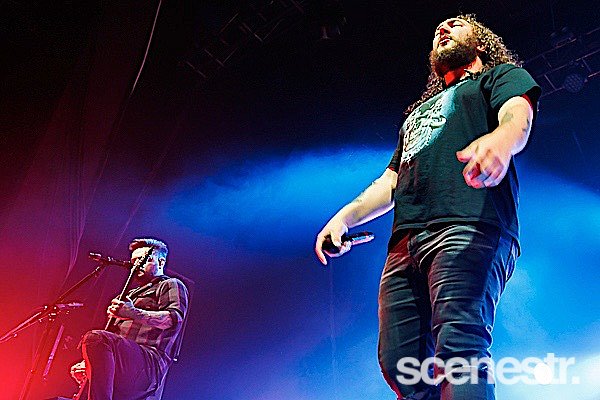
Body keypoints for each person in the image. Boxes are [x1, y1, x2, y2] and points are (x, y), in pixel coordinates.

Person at [314, 14, 540, 400]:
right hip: (407, 242)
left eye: (456, 24)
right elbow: (391, 180)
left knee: (459, 347)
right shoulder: (416, 116)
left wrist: (501, 141)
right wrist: (344, 217)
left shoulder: (497, 77)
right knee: (400, 364)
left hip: (469, 222)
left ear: (480, 43)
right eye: (439, 29)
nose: (443, 29)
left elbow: (517, 114)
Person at [70, 238, 189, 400]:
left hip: (148, 365)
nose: (136, 265)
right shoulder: (128, 294)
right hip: (122, 364)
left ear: (161, 262)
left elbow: (173, 320)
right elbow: (111, 340)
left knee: (95, 337)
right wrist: (90, 363)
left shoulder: (170, 284)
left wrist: (133, 313)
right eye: (133, 261)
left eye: (143, 260)